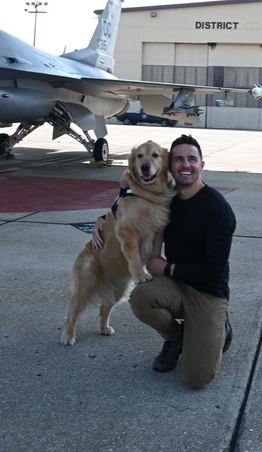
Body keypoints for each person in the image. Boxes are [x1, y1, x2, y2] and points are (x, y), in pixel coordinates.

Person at [92, 133, 236, 389]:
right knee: (141, 297)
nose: (185, 165)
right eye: (178, 159)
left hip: (208, 291)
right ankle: (175, 337)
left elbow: (214, 270)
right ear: (170, 166)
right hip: (176, 285)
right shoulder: (165, 200)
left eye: (192, 159)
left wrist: (168, 267)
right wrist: (101, 221)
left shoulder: (217, 209)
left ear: (202, 165)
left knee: (196, 379)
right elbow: (123, 204)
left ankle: (219, 325)